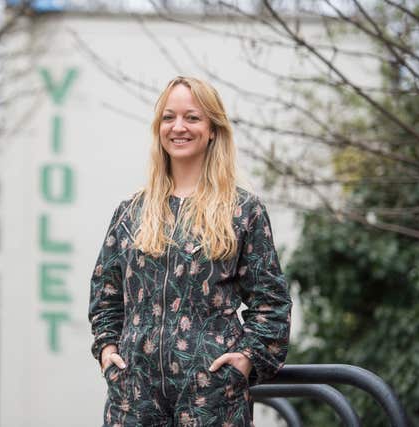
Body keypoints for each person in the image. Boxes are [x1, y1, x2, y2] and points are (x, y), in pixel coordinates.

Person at [88, 76, 292, 426]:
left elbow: (271, 304)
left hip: (211, 402)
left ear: (213, 129)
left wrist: (244, 360)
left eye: (192, 117)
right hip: (134, 402)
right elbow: (106, 296)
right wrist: (109, 351)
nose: (178, 127)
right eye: (169, 117)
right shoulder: (131, 212)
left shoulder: (243, 211)